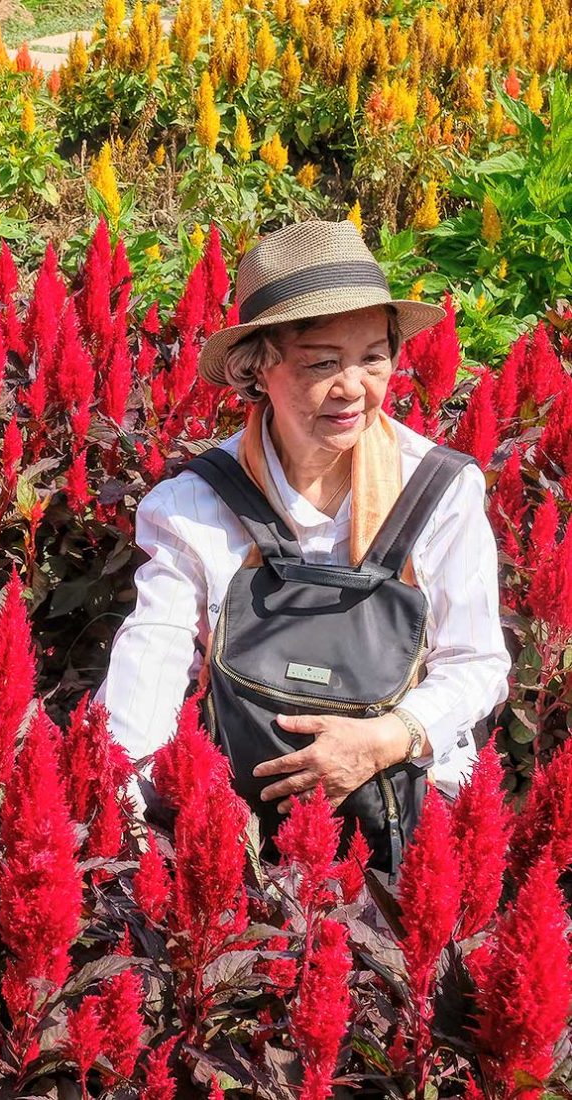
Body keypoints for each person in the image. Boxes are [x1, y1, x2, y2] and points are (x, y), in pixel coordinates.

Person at [100, 220, 510, 815]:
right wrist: (124, 807)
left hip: (403, 803)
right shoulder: (196, 506)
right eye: (322, 365)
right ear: (258, 368)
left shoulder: (438, 491)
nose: (353, 388)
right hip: (239, 809)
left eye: (373, 359)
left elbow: (476, 661)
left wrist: (384, 739)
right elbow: (152, 665)